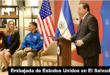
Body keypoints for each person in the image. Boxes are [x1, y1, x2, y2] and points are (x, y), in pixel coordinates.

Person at [70, 2, 101, 66]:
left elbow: (93, 33)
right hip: (85, 51)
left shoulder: (91, 18)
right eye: (77, 9)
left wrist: (82, 41)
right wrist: (69, 39)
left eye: (79, 9)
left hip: (91, 51)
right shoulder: (83, 19)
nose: (77, 11)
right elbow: (79, 33)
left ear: (86, 9)